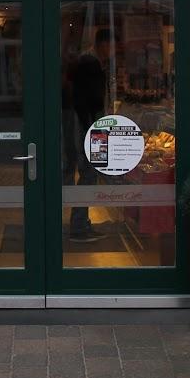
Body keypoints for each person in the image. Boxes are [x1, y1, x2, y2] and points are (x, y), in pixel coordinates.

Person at [68, 28, 111, 242]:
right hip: (91, 128)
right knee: (88, 175)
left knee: (88, 175)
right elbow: (90, 101)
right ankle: (78, 227)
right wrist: (95, 131)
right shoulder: (90, 63)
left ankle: (81, 223)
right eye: (111, 45)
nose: (113, 51)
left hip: (90, 127)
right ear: (104, 44)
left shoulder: (91, 62)